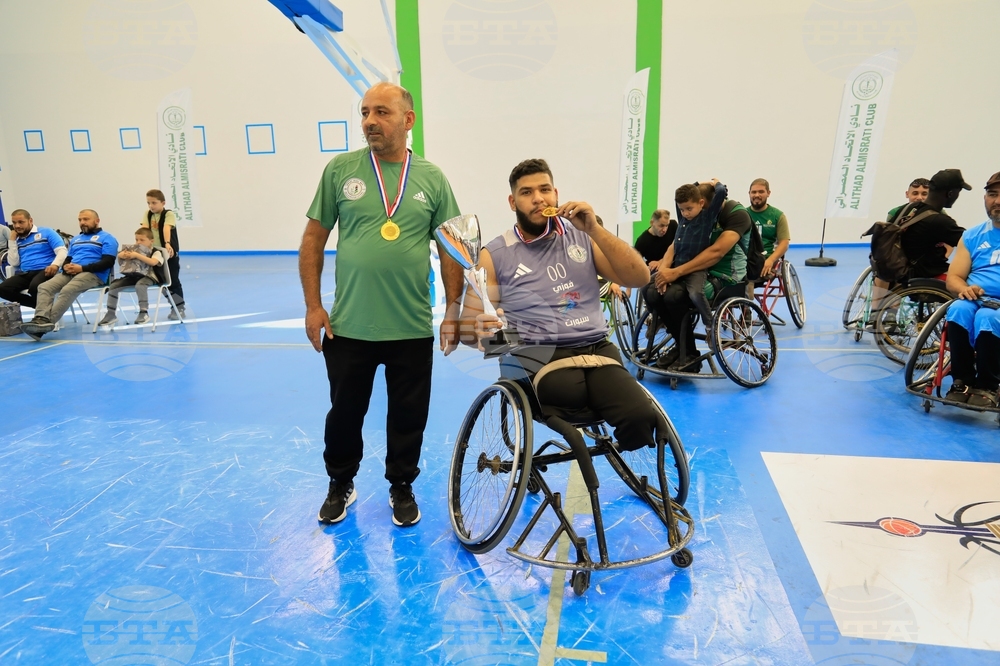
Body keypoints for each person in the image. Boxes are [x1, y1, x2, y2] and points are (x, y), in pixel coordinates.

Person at [299, 82, 465, 528]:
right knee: (345, 414)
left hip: (411, 325)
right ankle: (340, 482)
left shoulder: (431, 178)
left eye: (382, 113)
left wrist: (453, 309)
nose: (370, 121)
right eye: (365, 112)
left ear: (408, 121)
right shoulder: (340, 170)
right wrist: (314, 305)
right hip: (350, 325)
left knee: (409, 416)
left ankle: (401, 485)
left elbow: (451, 246)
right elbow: (314, 240)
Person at [458, 158, 658, 451]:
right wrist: (481, 329)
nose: (538, 198)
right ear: (512, 202)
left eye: (545, 190)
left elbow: (639, 277)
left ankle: (618, 447)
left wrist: (595, 230)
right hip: (538, 352)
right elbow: (467, 328)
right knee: (568, 397)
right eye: (527, 193)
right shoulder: (495, 254)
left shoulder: (584, 237)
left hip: (596, 349)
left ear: (556, 195)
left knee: (641, 417)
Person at [646, 184, 753, 372]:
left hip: (725, 274)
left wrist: (676, 272)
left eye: (691, 208)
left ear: (704, 204)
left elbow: (716, 252)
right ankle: (681, 347)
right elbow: (674, 245)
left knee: (675, 296)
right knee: (650, 291)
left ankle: (694, 346)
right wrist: (663, 271)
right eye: (683, 209)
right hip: (688, 266)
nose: (686, 213)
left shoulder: (733, 214)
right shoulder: (687, 216)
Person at [943, 172, 1000, 408]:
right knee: (958, 309)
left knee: (988, 317)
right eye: (992, 194)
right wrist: (964, 289)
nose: (997, 201)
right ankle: (962, 381)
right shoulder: (973, 235)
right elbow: (954, 277)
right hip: (977, 297)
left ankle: (988, 385)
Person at [22, 210, 118, 339]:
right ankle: (40, 319)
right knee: (44, 287)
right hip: (71, 272)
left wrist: (82, 268)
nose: (82, 222)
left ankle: (45, 325)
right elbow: (68, 258)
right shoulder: (76, 239)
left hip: (93, 274)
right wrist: (66, 266)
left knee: (68, 290)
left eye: (86, 219)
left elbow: (108, 262)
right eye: (80, 220)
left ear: (97, 221)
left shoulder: (108, 238)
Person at [98, 228, 166, 326]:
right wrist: (121, 256)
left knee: (140, 285)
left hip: (150, 277)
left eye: (142, 240)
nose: (138, 242)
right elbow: (121, 262)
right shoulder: (133, 250)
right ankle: (111, 314)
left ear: (151, 241)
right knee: (114, 286)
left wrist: (137, 256)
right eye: (136, 240)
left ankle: (143, 312)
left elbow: (153, 262)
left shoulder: (156, 252)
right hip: (133, 276)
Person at [0, 209, 66, 310]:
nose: (17, 226)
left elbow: (62, 251)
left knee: (35, 287)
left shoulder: (46, 232)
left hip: (47, 270)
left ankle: (43, 312)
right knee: (3, 289)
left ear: (30, 221)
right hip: (26, 273)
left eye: (21, 222)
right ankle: (39, 307)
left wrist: (55, 265)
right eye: (14, 222)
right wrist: (12, 241)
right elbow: (14, 262)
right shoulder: (17, 239)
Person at [141, 189, 186, 320]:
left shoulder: (168, 214)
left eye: (154, 203)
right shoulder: (147, 214)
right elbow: (145, 229)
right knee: (162, 281)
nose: (151, 206)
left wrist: (167, 243)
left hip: (168, 252)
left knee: (172, 280)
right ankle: (173, 304)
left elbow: (166, 228)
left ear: (163, 203)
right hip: (154, 253)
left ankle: (179, 307)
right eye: (148, 203)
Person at [746, 178, 790, 277]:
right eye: (754, 192)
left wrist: (771, 260)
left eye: (761, 192)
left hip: (766, 257)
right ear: (749, 193)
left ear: (768, 193)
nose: (757, 195)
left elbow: (784, 243)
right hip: (746, 258)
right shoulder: (742, 214)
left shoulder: (777, 216)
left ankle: (747, 290)